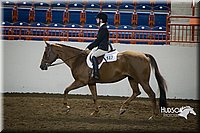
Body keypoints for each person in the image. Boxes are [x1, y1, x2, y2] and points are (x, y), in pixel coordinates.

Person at [85, 12, 112, 80]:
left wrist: (89, 47)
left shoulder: (103, 28)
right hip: (101, 46)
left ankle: (96, 74)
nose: (96, 20)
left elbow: (98, 40)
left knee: (94, 56)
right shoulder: (103, 27)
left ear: (101, 20)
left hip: (103, 48)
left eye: (97, 19)